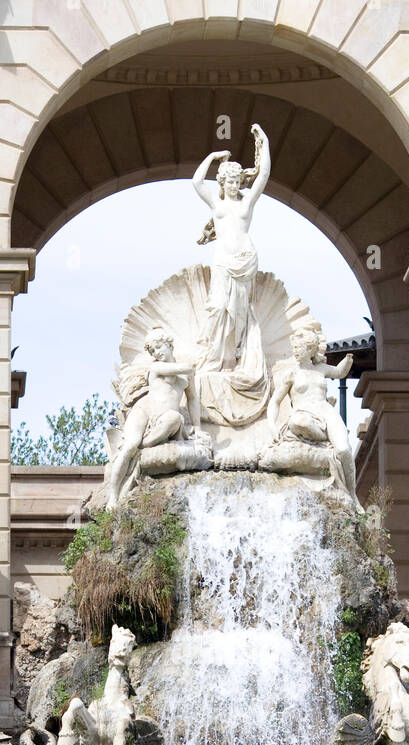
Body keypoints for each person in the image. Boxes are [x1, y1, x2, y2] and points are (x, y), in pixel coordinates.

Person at [191, 124, 271, 423]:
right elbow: (197, 182)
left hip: (246, 259)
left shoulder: (247, 202)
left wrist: (263, 144)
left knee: (239, 312)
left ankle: (234, 360)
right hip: (223, 260)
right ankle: (215, 358)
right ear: (222, 182)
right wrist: (213, 157)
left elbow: (262, 177)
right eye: (230, 180)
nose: (235, 184)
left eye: (239, 180)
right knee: (217, 308)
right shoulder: (217, 203)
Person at [107, 327, 206, 510]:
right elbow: (186, 367)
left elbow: (192, 399)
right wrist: (195, 364)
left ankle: (143, 447)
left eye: (159, 347)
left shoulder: (185, 374)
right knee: (129, 446)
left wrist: (198, 428)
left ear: (169, 344)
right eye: (153, 351)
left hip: (165, 417)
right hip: (144, 411)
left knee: (174, 418)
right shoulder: (157, 367)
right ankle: (113, 497)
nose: (157, 353)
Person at [267, 327, 362, 509]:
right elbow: (275, 402)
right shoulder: (291, 374)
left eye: (299, 347)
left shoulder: (321, 369)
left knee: (343, 450)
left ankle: (352, 494)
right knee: (297, 422)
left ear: (310, 349)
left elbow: (340, 372)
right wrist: (272, 426)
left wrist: (348, 359)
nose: (295, 351)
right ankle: (325, 447)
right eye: (294, 347)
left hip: (326, 413)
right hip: (305, 415)